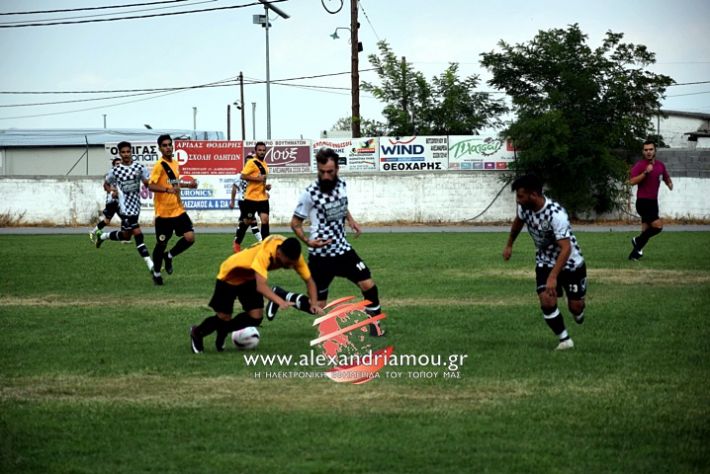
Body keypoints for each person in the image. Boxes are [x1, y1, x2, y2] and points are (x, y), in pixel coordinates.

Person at [285, 147, 385, 337]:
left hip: (343, 250)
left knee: (369, 286)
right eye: (322, 172)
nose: (326, 176)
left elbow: (343, 205)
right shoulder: (310, 194)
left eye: (330, 172)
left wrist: (351, 220)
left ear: (337, 169)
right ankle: (284, 297)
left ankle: (374, 326)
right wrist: (308, 242)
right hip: (321, 257)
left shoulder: (342, 185)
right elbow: (295, 223)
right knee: (318, 306)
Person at [189, 235, 320, 353]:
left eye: (293, 263)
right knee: (223, 316)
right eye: (288, 263)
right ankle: (197, 332)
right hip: (230, 274)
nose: (292, 266)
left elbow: (309, 281)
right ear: (279, 253)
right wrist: (280, 301)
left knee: (256, 316)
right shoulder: (266, 253)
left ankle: (224, 330)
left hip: (249, 277)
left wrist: (313, 303)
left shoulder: (294, 256)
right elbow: (261, 286)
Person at [502, 174, 586, 351]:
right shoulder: (524, 208)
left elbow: (566, 249)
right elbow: (518, 222)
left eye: (520, 196)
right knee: (546, 300)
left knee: (575, 307)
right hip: (545, 260)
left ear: (533, 194)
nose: (518, 200)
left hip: (570, 263)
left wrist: (553, 277)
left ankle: (578, 312)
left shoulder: (556, 214)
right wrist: (509, 244)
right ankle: (565, 340)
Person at [93, 141, 154, 273]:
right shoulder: (115, 170)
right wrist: (111, 191)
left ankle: (103, 236)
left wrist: (151, 183)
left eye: (128, 151)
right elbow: (106, 184)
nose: (126, 154)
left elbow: (147, 183)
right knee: (138, 233)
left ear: (131, 152)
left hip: (136, 207)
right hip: (124, 209)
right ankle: (151, 264)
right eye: (123, 152)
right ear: (120, 154)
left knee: (126, 236)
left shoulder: (139, 168)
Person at [147, 134, 198, 286]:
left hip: (178, 210)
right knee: (161, 243)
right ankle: (156, 272)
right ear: (160, 148)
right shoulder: (159, 165)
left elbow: (174, 184)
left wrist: (189, 185)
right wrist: (165, 190)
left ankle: (169, 256)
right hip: (163, 214)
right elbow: (150, 185)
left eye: (170, 144)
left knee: (190, 238)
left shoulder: (175, 163)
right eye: (165, 145)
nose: (168, 147)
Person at [628, 140, 673, 260]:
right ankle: (636, 240)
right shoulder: (640, 165)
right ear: (643, 152)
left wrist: (669, 183)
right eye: (646, 150)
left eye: (650, 149)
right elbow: (632, 181)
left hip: (653, 202)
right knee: (658, 227)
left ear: (655, 151)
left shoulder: (660, 165)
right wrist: (645, 173)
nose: (648, 152)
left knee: (646, 231)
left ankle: (634, 255)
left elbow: (665, 176)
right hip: (643, 202)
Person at [232, 141, 271, 253]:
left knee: (265, 220)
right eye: (259, 150)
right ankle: (237, 242)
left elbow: (262, 180)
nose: (262, 152)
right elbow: (243, 176)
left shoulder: (265, 164)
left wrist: (265, 187)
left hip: (262, 198)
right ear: (256, 151)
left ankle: (265, 246)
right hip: (251, 198)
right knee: (247, 221)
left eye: (263, 150)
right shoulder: (252, 162)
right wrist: (258, 179)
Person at [229, 152, 262, 251]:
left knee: (246, 221)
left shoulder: (256, 175)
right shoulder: (240, 175)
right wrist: (232, 201)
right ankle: (261, 241)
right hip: (244, 201)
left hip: (253, 201)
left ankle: (237, 241)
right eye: (248, 160)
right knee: (251, 220)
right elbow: (234, 188)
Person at [89, 157, 121, 240]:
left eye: (120, 163)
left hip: (120, 201)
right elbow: (105, 185)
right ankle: (93, 232)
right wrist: (111, 191)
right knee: (107, 221)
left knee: (126, 220)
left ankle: (124, 237)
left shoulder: (123, 174)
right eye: (117, 164)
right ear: (113, 165)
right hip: (112, 201)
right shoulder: (111, 173)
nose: (119, 165)